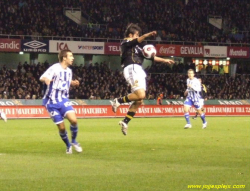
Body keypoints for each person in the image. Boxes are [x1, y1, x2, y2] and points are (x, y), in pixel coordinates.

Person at [110, 23, 175, 135]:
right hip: (131, 67)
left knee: (139, 100)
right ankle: (118, 101)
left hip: (139, 70)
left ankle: (125, 122)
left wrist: (165, 60)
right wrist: (147, 35)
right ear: (130, 35)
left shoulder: (138, 48)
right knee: (141, 95)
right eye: (137, 35)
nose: (138, 37)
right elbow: (136, 41)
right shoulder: (125, 43)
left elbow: (152, 57)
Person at [40, 50, 82, 154]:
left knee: (74, 120)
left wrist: (73, 83)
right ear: (64, 58)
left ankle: (74, 141)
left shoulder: (69, 71)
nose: (73, 58)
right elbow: (42, 77)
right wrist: (46, 79)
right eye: (71, 56)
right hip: (51, 102)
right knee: (62, 127)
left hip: (63, 99)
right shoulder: (55, 68)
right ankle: (68, 146)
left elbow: (64, 82)